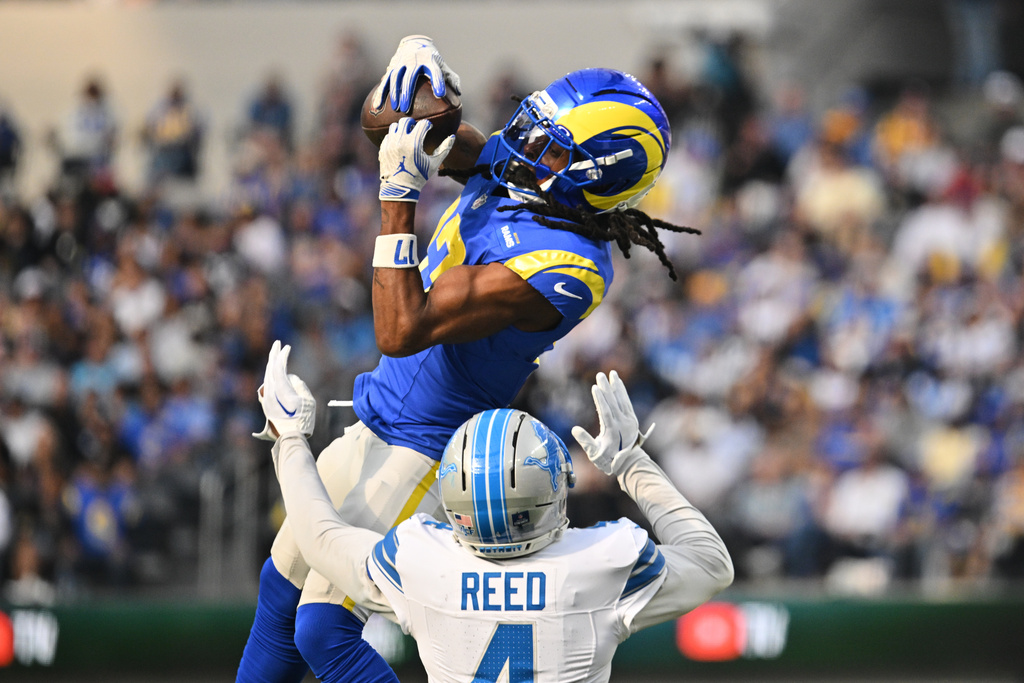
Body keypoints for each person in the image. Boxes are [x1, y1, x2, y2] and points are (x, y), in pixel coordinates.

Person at [235, 35, 699, 683]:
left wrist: (397, 198)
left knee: (323, 628)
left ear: (594, 175)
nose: (525, 143)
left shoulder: (564, 267)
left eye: (551, 145)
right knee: (279, 593)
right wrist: (406, 82)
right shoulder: (534, 176)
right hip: (381, 413)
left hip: (425, 446)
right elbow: (406, 135)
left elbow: (403, 326)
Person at [258, 342, 733, 681]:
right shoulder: (604, 561)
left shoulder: (423, 559)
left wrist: (291, 437)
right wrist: (631, 464)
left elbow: (318, 535)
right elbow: (712, 563)